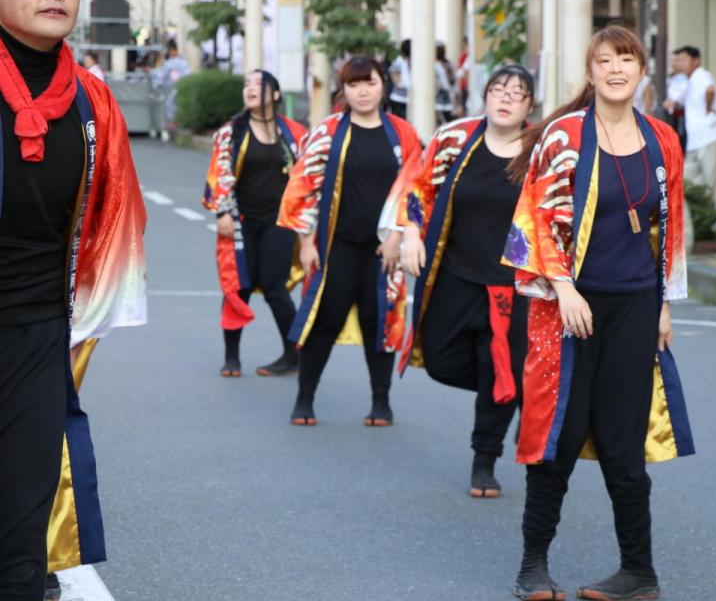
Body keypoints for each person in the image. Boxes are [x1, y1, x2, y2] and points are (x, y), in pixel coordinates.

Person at [504, 25, 694, 601]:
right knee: (556, 439)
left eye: (627, 59)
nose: (616, 69)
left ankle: (639, 572)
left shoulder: (662, 139)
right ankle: (532, 566)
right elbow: (535, 219)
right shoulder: (563, 135)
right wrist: (563, 288)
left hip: (636, 305)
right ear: (590, 73)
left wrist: (663, 304)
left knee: (623, 442)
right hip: (569, 307)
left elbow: (671, 225)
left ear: (642, 71)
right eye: (605, 60)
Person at [0, 0, 146, 601]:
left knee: (25, 516)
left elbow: (117, 217)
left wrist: (86, 316)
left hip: (37, 328)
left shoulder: (93, 103)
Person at [379, 65, 536, 499]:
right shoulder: (455, 139)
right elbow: (418, 186)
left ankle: (484, 460)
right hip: (453, 276)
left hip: (509, 289)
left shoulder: (538, 151)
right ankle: (506, 389)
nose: (505, 98)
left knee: (499, 369)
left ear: (529, 107)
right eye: (498, 90)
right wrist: (409, 233)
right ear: (484, 96)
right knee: (441, 360)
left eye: (517, 94)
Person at [277, 56, 422, 427]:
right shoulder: (328, 131)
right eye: (354, 84)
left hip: (382, 251)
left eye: (369, 83)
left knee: (382, 322)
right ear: (344, 89)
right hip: (335, 246)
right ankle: (304, 398)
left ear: (382, 85)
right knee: (322, 321)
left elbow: (415, 189)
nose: (362, 91)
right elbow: (304, 185)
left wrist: (397, 236)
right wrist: (307, 242)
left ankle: (380, 402)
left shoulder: (402, 133)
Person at [203, 70, 308, 378]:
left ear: (275, 95)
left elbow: (307, 176)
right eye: (246, 84)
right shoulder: (231, 132)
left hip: (280, 221)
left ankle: (293, 354)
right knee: (239, 286)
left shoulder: (295, 134)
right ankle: (232, 357)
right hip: (240, 221)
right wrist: (222, 211)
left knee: (276, 288)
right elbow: (219, 173)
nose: (250, 89)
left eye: (258, 84)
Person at [675, 45, 716, 198]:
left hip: (709, 137)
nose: (680, 63)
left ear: (696, 61)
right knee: (688, 181)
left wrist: (709, 107)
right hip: (695, 141)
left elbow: (710, 89)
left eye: (683, 59)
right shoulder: (688, 80)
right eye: (678, 60)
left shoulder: (700, 75)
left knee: (712, 184)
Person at [387, 39, 411, 118]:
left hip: (402, 97)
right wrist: (399, 84)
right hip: (400, 97)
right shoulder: (400, 61)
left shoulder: (399, 60)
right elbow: (393, 72)